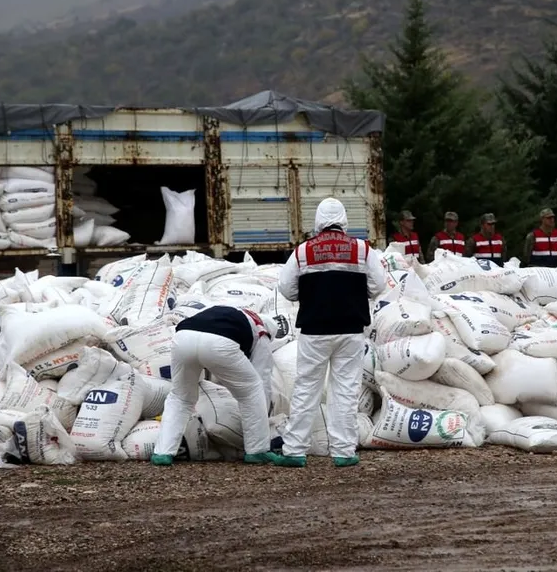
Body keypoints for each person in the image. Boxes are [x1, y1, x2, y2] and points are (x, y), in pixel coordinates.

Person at [274, 197, 387, 468]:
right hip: (350, 330)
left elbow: (286, 288)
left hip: (314, 330)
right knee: (346, 391)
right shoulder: (361, 249)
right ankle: (344, 452)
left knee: (306, 389)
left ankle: (294, 451)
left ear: (318, 221)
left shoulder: (303, 251)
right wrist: (359, 293)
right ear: (344, 220)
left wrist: (311, 294)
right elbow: (379, 284)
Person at [151, 305, 280, 466]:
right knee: (252, 391)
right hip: (219, 343)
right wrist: (264, 416)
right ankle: (257, 450)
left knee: (180, 397)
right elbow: (263, 379)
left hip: (183, 337)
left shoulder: (233, 314)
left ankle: (162, 452)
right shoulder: (262, 332)